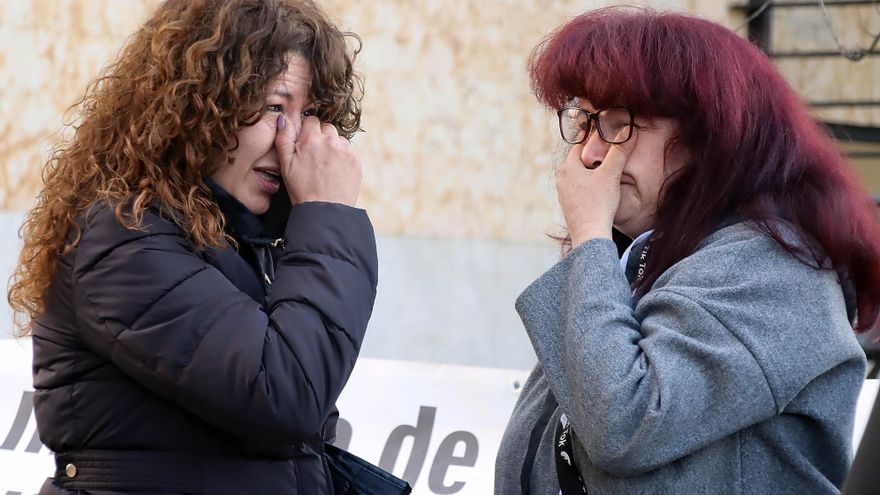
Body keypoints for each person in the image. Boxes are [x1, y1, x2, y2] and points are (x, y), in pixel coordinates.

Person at [496, 7, 880, 495]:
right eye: (585, 120)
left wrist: (590, 234)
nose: (590, 154)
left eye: (621, 124)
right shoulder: (647, 263)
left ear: (710, 139)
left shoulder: (772, 271)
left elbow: (624, 423)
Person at [7, 0, 376, 493]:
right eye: (273, 107)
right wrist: (329, 215)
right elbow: (284, 393)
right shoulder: (122, 237)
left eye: (308, 113)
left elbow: (297, 449)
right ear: (201, 107)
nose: (293, 139)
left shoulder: (248, 240)